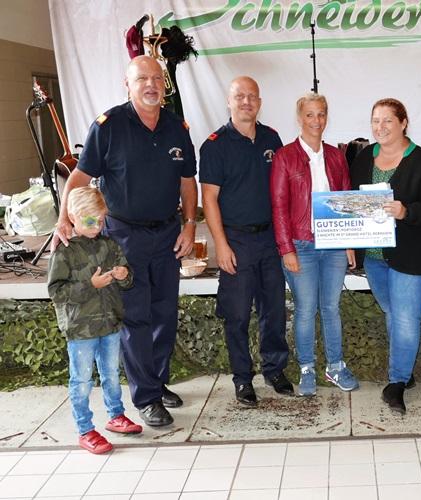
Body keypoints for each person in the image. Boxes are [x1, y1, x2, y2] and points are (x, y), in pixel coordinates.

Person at [53, 55, 198, 427]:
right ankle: (146, 397)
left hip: (167, 234)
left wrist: (189, 226)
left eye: (156, 79)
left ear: (164, 85)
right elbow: (79, 178)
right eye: (142, 79)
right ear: (128, 84)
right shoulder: (109, 126)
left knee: (164, 313)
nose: (151, 85)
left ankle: (157, 382)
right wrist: (63, 218)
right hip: (124, 236)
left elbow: (187, 183)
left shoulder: (177, 127)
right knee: (135, 316)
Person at [350, 98, 421, 414]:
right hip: (375, 256)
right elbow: (351, 201)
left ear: (403, 123)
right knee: (395, 314)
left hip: (414, 253)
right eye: (375, 120)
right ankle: (405, 371)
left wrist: (407, 211)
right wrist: (350, 241)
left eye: (387, 120)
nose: (380, 127)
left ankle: (396, 383)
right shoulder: (364, 157)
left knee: (405, 318)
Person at [200, 76, 292, 406]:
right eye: (240, 96)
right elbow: (209, 199)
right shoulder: (214, 145)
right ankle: (242, 378)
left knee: (274, 311)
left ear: (260, 103)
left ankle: (274, 370)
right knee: (237, 314)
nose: (246, 102)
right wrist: (221, 245)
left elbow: (283, 189)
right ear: (229, 101)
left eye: (252, 96)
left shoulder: (272, 138)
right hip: (235, 240)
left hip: (269, 238)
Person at [270, 93, 359, 397]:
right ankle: (306, 367)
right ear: (300, 118)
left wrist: (348, 243)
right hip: (301, 245)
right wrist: (286, 249)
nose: (316, 120)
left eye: (321, 114)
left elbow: (345, 199)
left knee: (331, 307)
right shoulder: (285, 156)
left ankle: (335, 366)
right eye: (310, 114)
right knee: (306, 309)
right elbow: (279, 206)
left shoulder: (336, 155)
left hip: (334, 245)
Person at [48, 186, 142, 454]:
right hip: (81, 329)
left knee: (111, 374)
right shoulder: (64, 252)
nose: (97, 226)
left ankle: (116, 415)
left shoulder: (109, 245)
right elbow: (56, 292)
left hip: (110, 323)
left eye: (101, 220)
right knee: (81, 381)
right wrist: (91, 285)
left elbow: (127, 280)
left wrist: (124, 275)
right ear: (73, 218)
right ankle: (85, 429)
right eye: (90, 220)